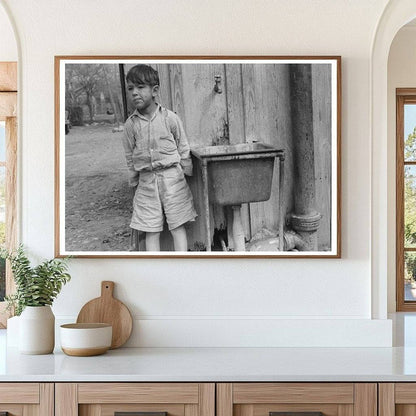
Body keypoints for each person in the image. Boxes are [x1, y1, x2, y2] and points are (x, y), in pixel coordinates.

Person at [122, 64, 197, 251]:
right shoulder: (131, 126)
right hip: (146, 182)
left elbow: (183, 145)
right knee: (150, 229)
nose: (134, 93)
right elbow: (129, 155)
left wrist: (186, 171)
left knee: (177, 225)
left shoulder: (170, 118)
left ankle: (182, 266)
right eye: (131, 88)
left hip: (173, 179)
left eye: (140, 87)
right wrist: (133, 181)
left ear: (154, 90)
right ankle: (154, 267)